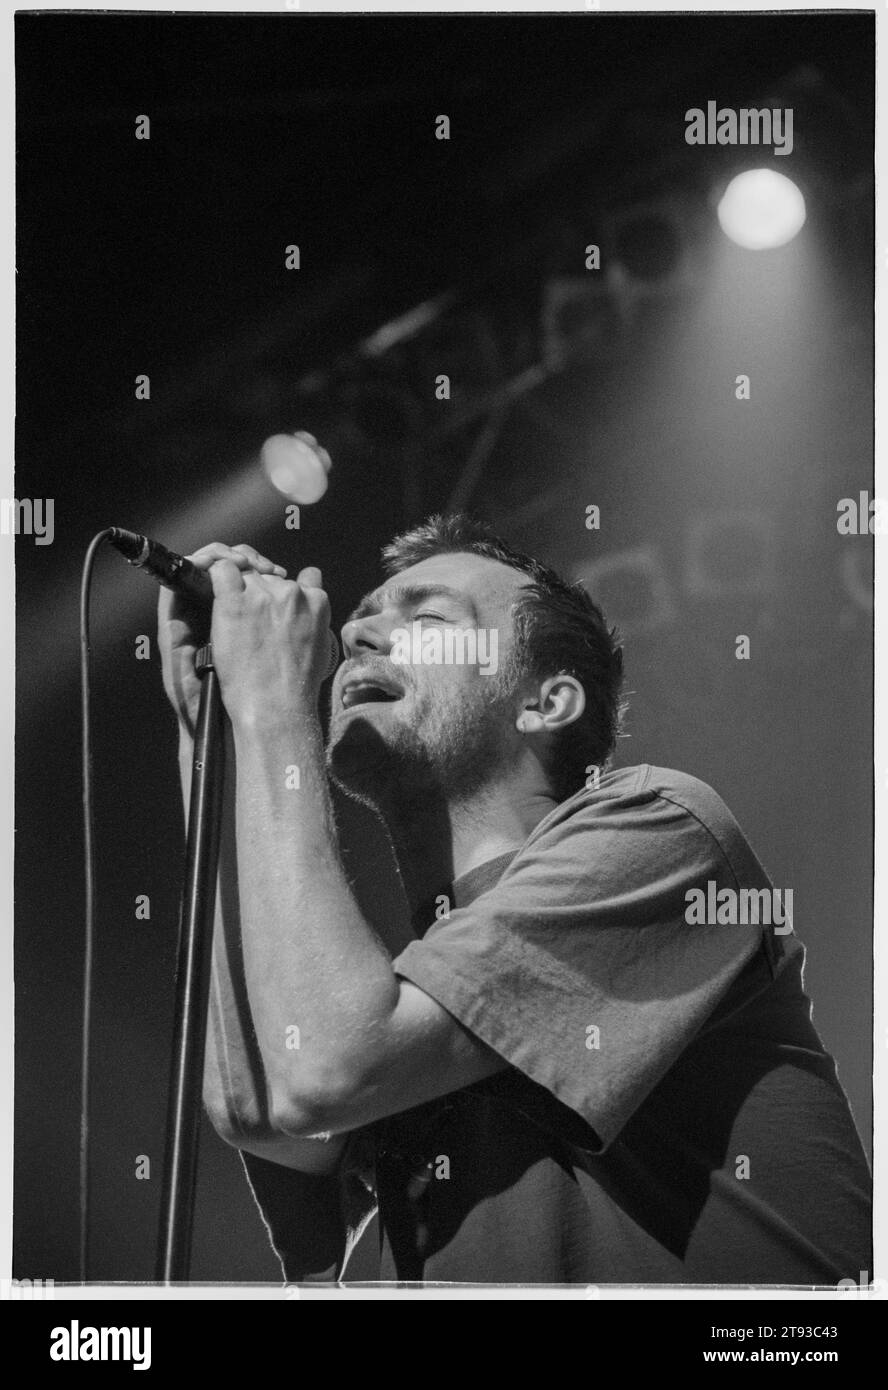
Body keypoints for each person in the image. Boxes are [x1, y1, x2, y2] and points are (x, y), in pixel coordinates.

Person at [158, 513, 871, 1285]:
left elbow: (328, 1069)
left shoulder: (663, 827)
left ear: (546, 702)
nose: (358, 637)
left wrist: (271, 710)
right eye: (360, 619)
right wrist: (214, 734)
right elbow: (258, 1108)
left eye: (426, 618)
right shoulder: (406, 991)